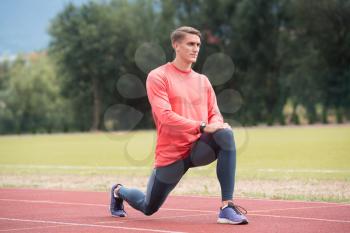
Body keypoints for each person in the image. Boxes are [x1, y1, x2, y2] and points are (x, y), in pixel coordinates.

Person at [109, 26, 248, 225]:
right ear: (176, 45)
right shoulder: (158, 76)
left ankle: (227, 207)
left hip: (198, 148)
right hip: (172, 155)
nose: (196, 49)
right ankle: (118, 191)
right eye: (190, 44)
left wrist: (215, 125)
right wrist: (201, 126)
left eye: (198, 44)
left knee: (225, 133)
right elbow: (165, 116)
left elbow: (215, 115)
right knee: (149, 207)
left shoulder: (203, 81)